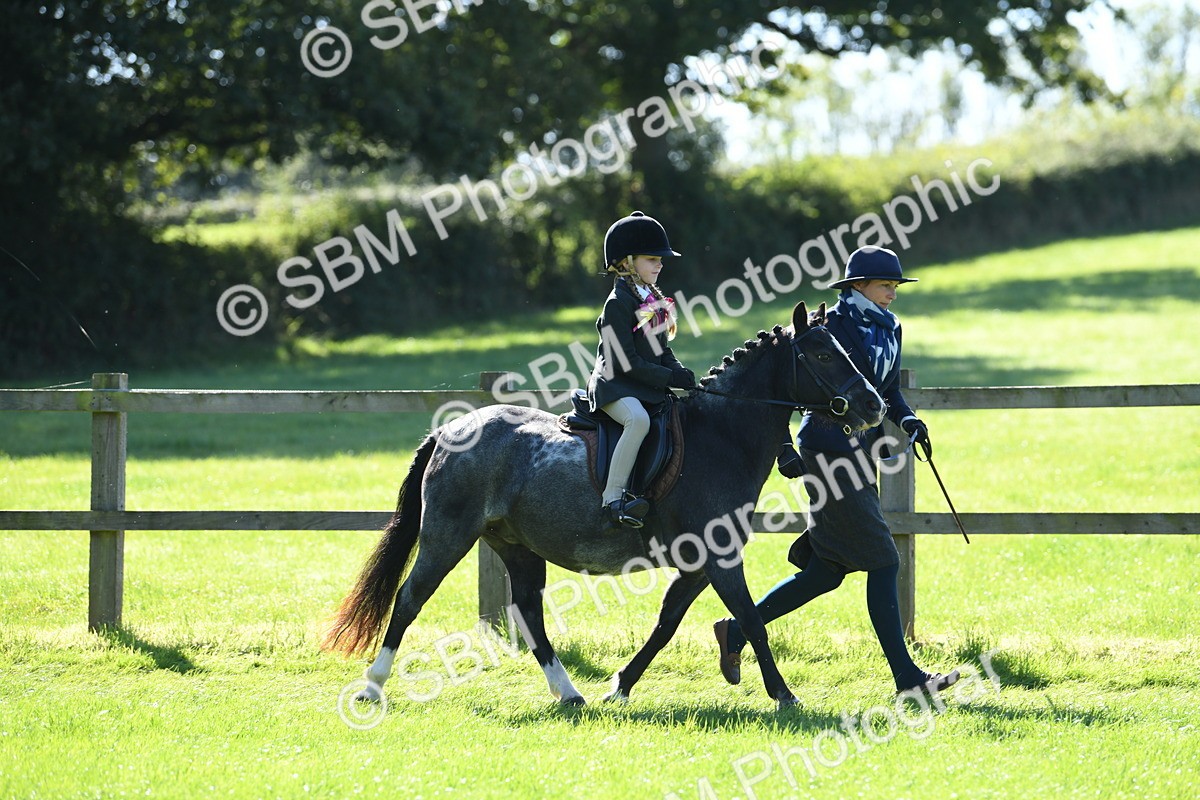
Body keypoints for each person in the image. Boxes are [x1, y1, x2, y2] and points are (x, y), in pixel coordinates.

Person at [713, 245, 960, 695]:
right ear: (858, 286)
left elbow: (884, 390)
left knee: (826, 570)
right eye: (886, 285)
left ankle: (737, 630)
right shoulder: (833, 327)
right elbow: (800, 388)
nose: (893, 294)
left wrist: (907, 419)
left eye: (895, 286)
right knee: (884, 560)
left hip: (858, 450)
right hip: (828, 447)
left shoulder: (890, 328)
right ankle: (908, 679)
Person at [587, 211, 696, 528]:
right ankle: (613, 499)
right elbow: (623, 361)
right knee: (637, 420)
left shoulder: (653, 301)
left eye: (661, 259)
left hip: (642, 384)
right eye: (652, 259)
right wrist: (666, 378)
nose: (660, 264)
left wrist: (680, 373)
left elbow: (663, 350)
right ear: (626, 262)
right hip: (615, 386)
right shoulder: (617, 304)